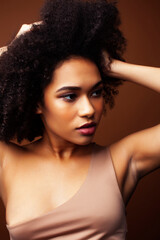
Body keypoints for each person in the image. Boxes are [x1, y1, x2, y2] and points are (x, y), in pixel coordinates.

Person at [0, 0, 159, 239]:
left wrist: (112, 66)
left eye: (96, 92)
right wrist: (10, 54)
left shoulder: (122, 160)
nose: (89, 109)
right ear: (35, 104)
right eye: (70, 96)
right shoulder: (7, 162)